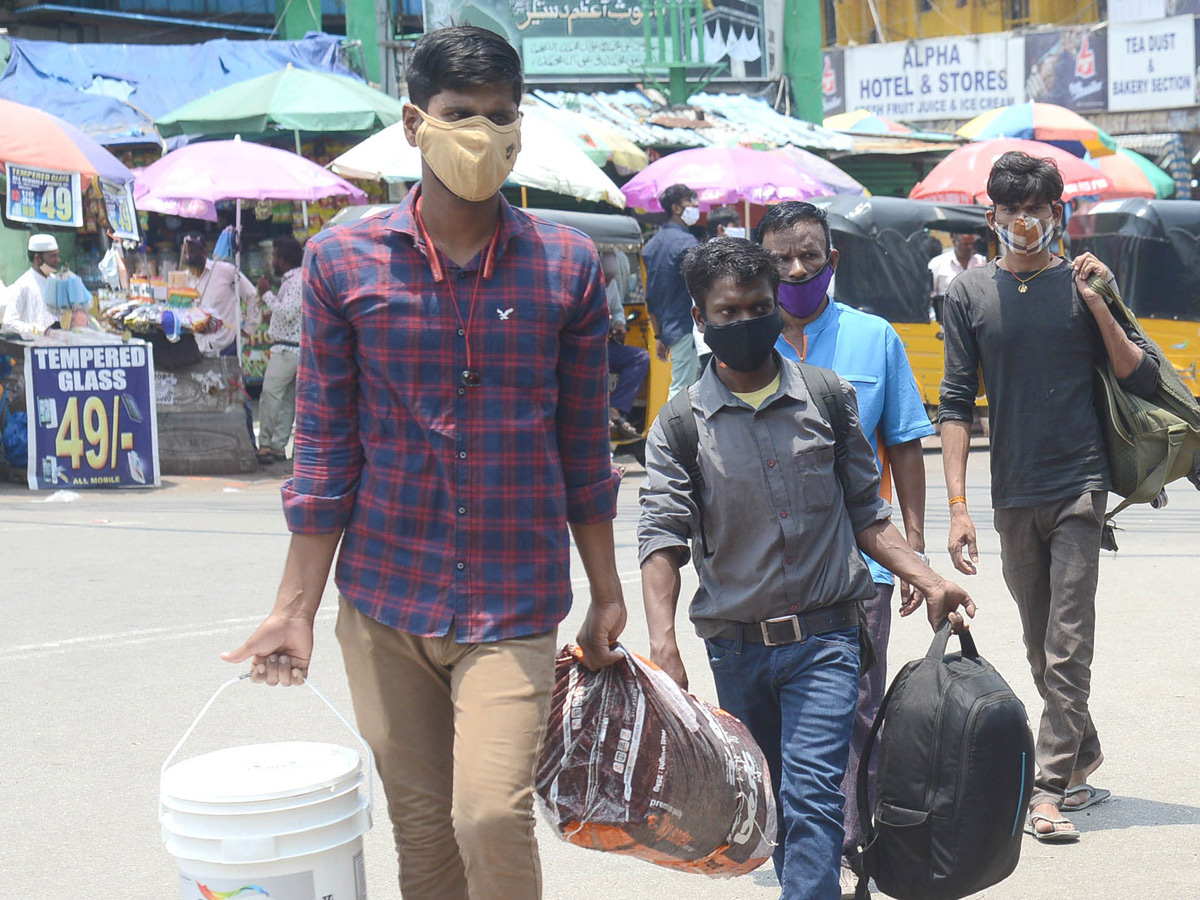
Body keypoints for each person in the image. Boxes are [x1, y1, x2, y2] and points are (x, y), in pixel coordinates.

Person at [222, 25, 627, 900]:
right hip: (383, 602)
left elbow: (584, 452)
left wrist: (608, 590)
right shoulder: (341, 258)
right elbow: (325, 450)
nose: (480, 134)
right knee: (423, 831)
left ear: (521, 126)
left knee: (487, 814)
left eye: (499, 116)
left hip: (513, 603)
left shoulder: (568, 266)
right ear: (414, 124)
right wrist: (293, 607)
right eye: (458, 115)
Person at [639, 237, 974, 900]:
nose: (746, 321)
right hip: (737, 651)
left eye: (758, 307)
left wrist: (931, 579)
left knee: (815, 793)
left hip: (826, 639)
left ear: (778, 312)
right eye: (728, 312)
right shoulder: (679, 426)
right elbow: (661, 538)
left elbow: (866, 514)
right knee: (779, 807)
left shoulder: (827, 398)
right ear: (701, 321)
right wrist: (661, 644)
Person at [939, 151, 1160, 843]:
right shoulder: (969, 295)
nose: (1026, 223)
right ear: (992, 218)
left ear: (1056, 215)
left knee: (1067, 644)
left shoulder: (1086, 281)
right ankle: (1084, 750)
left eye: (1039, 211)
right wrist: (958, 506)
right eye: (1013, 212)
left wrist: (1096, 301)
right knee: (1040, 644)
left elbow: (1140, 373)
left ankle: (1049, 790)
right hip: (1012, 493)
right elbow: (952, 402)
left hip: (1079, 487)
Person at [757, 201, 936, 895]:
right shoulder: (746, 344)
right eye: (782, 258)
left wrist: (914, 547)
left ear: (833, 258)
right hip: (767, 570)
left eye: (809, 254)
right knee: (777, 714)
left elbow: (905, 440)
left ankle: (843, 839)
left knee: (854, 707)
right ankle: (804, 834)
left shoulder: (874, 337)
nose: (797, 269)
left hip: (863, 566)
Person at [643, 183, 701, 398]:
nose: (696, 208)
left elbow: (651, 296)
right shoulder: (687, 242)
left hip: (668, 328)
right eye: (691, 203)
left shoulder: (651, 245)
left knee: (683, 387)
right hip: (687, 325)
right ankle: (670, 431)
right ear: (677, 208)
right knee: (683, 390)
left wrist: (659, 334)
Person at [254, 236, 305, 463]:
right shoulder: (293, 280)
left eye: (274, 257)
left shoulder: (295, 281)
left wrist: (266, 294)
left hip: (288, 350)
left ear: (283, 260)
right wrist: (271, 314)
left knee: (270, 394)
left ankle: (265, 444)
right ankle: (278, 445)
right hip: (294, 348)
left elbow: (288, 311)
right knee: (286, 401)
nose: (272, 261)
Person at [181, 232, 257, 358]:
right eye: (185, 252)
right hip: (196, 349)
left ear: (204, 252)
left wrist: (249, 328)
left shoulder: (226, 271)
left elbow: (252, 295)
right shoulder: (183, 279)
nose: (189, 256)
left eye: (193, 251)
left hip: (227, 347)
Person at [602, 250, 649, 440]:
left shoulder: (611, 285)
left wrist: (619, 323)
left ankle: (616, 408)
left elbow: (617, 310)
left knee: (640, 357)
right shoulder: (586, 282)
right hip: (588, 346)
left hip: (608, 345)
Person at [2, 234, 60, 335]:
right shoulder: (23, 285)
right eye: (52, 256)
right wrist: (39, 331)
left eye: (57, 255)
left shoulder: (56, 282)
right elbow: (8, 323)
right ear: (37, 258)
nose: (58, 260)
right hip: (34, 347)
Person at [928, 232, 986, 321]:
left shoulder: (982, 262)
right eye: (966, 244)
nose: (970, 247)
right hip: (946, 321)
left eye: (972, 244)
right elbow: (929, 295)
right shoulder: (938, 264)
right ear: (955, 242)